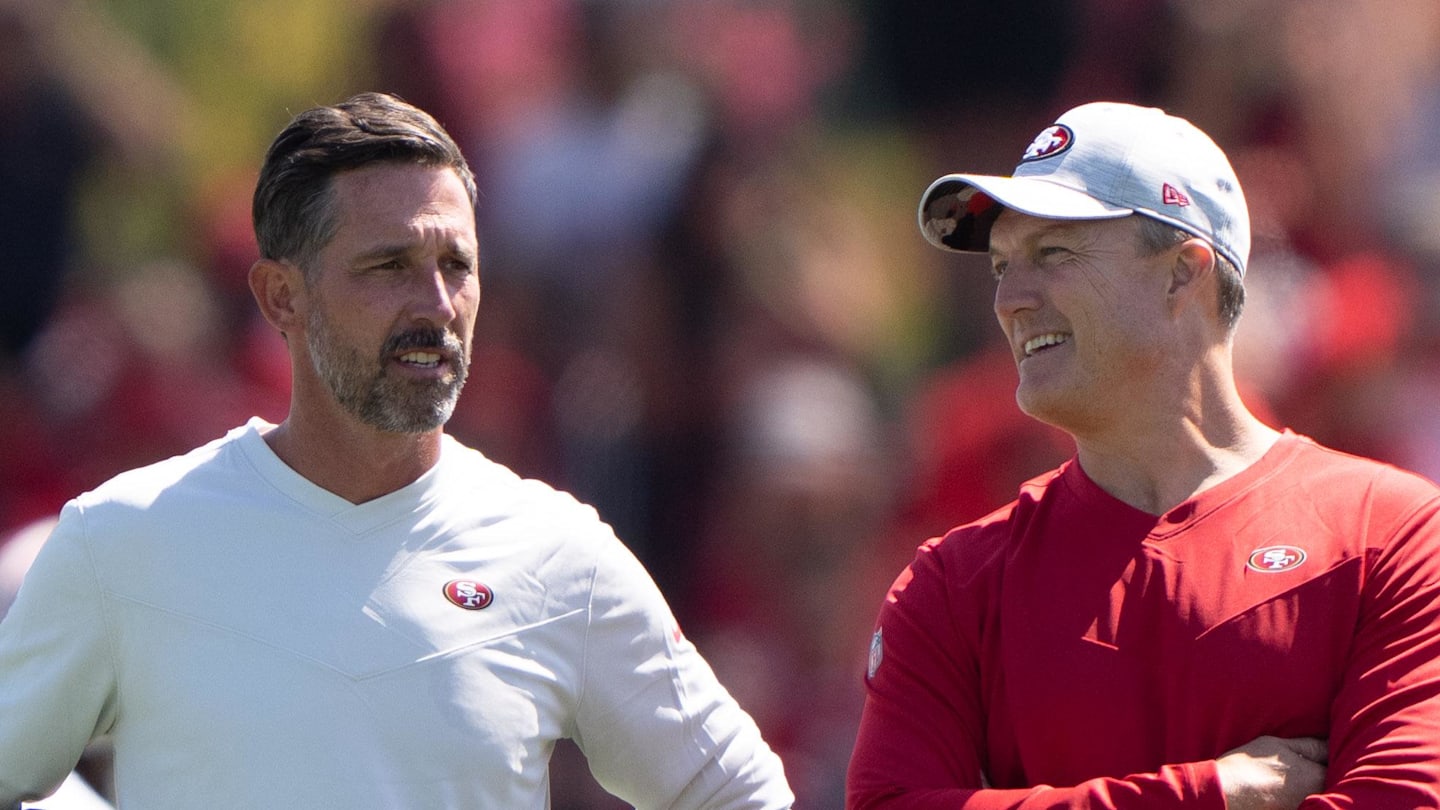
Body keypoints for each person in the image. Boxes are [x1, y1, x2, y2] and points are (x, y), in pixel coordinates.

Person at [0, 91, 792, 810]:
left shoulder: (559, 556)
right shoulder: (120, 543)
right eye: (390, 267)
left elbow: (735, 793)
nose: (437, 306)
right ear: (282, 297)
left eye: (457, 267)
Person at [847, 101, 1440, 809]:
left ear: (1182, 275)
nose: (1009, 299)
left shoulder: (1391, 536)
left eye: (1053, 254)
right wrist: (1206, 794)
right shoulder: (951, 588)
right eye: (1003, 265)